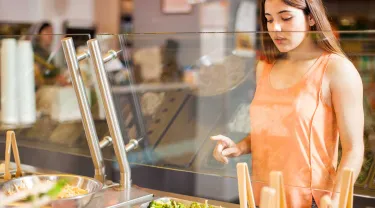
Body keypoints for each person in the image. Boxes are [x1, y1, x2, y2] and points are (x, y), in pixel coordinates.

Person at [211, 0, 364, 207]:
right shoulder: (264, 67)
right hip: (262, 195)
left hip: (312, 200)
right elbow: (271, 129)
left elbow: (353, 149)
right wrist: (238, 147)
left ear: (311, 17)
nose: (275, 28)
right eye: (269, 19)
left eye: (286, 17)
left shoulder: (337, 69)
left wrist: (336, 199)